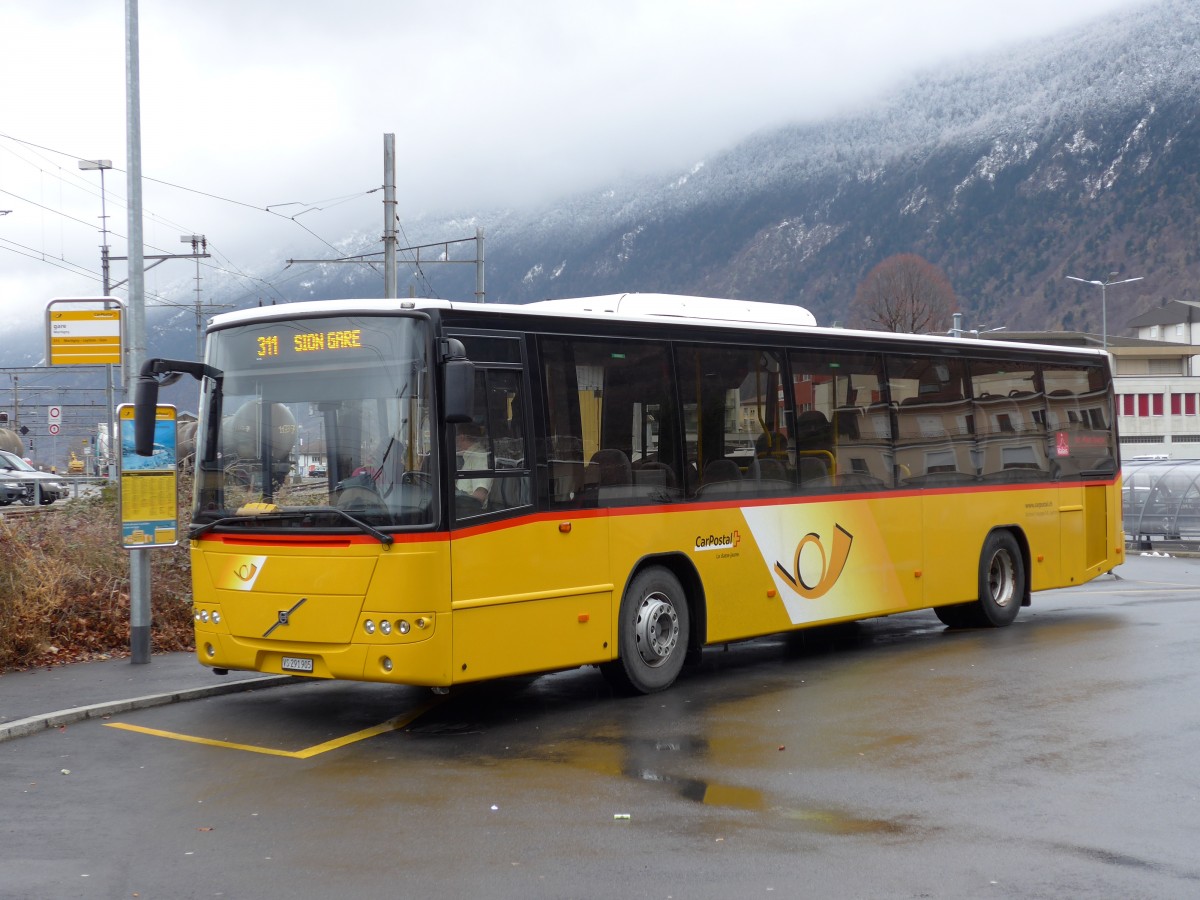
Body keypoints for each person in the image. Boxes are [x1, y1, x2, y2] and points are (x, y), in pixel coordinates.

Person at [455, 424, 492, 507]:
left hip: (470, 512)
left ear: (462, 437)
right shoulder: (470, 456)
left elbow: (480, 496)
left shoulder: (479, 456)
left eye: (456, 437)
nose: (455, 442)